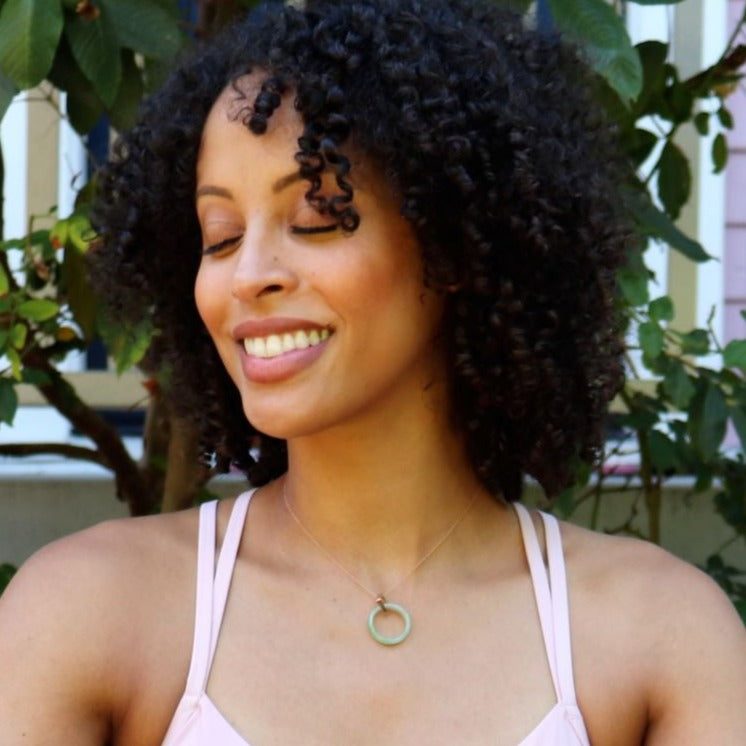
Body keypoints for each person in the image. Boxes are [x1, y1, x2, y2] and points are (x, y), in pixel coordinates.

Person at [1, 0, 745, 743]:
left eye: (317, 220)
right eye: (220, 237)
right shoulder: (88, 613)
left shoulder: (660, 637)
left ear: (453, 246)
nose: (248, 275)